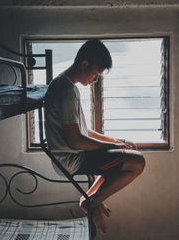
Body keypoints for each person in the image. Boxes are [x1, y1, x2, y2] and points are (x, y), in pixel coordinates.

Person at [44, 39, 145, 234]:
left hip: (73, 155)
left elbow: (85, 132)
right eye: (96, 73)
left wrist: (118, 143)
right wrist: (112, 148)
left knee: (119, 158)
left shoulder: (66, 86)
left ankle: (91, 199)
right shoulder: (66, 90)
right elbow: (76, 140)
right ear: (84, 64)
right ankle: (91, 202)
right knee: (137, 163)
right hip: (72, 160)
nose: (95, 79)